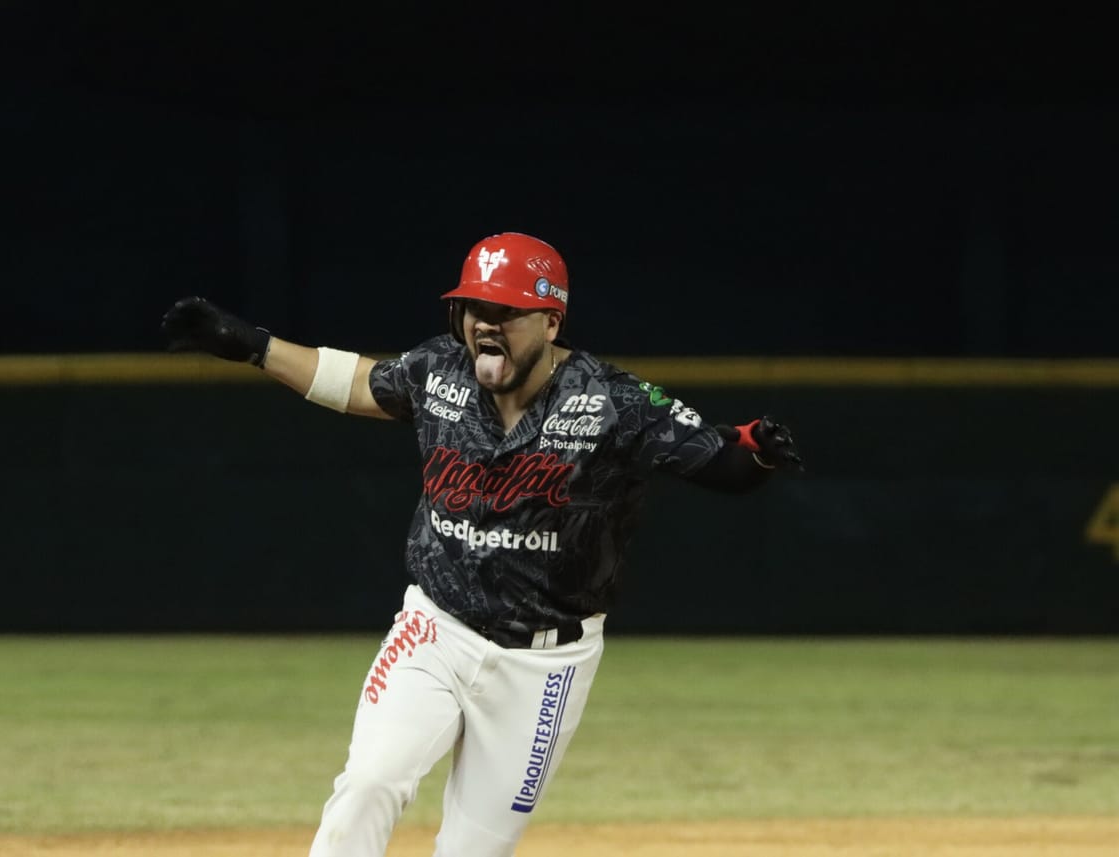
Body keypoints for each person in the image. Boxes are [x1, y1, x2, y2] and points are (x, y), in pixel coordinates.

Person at [161, 231, 803, 857]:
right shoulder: (439, 371)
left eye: (506, 311)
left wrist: (757, 454)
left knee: (475, 848)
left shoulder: (612, 402)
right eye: (473, 308)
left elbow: (721, 464)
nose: (484, 324)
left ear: (551, 322)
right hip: (435, 630)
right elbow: (358, 382)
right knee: (370, 783)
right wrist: (255, 345)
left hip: (546, 666)